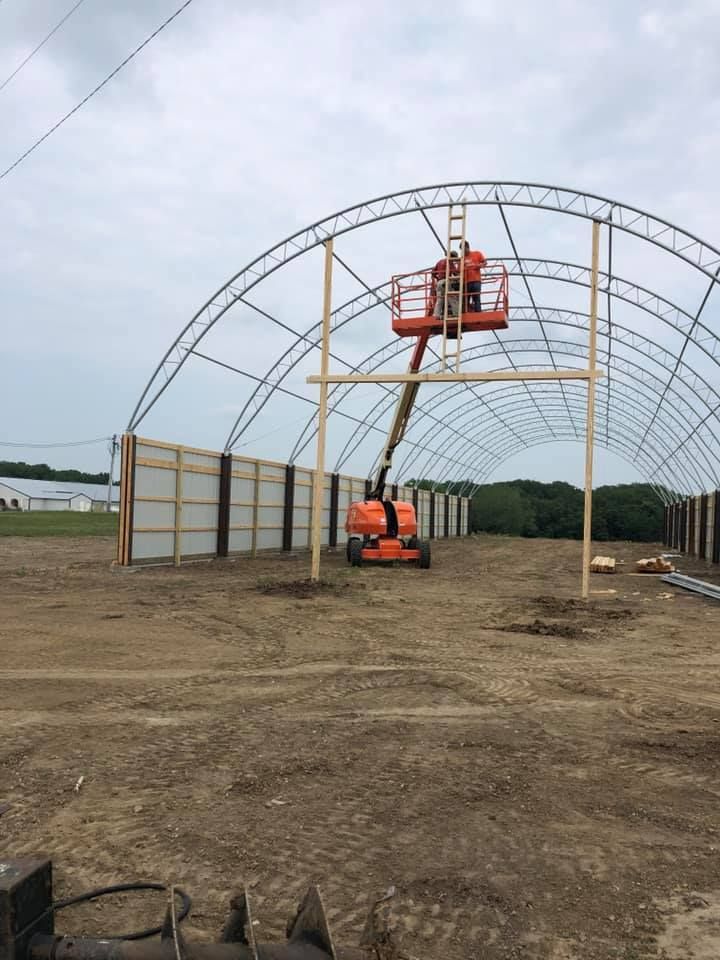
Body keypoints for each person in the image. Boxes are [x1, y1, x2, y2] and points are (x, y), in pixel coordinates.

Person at [432, 251, 460, 319]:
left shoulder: (440, 261)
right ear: (453, 257)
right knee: (452, 297)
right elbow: (455, 273)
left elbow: (433, 273)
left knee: (440, 299)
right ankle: (456, 313)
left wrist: (438, 278)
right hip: (446, 282)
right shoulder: (450, 262)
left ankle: (436, 315)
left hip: (439, 283)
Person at [463, 240, 487, 312]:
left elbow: (485, 263)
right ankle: (465, 314)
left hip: (476, 280)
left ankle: (478, 313)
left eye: (463, 249)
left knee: (476, 298)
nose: (463, 251)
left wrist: (477, 265)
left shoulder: (477, 254)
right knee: (466, 299)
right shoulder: (462, 258)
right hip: (466, 282)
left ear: (467, 247)